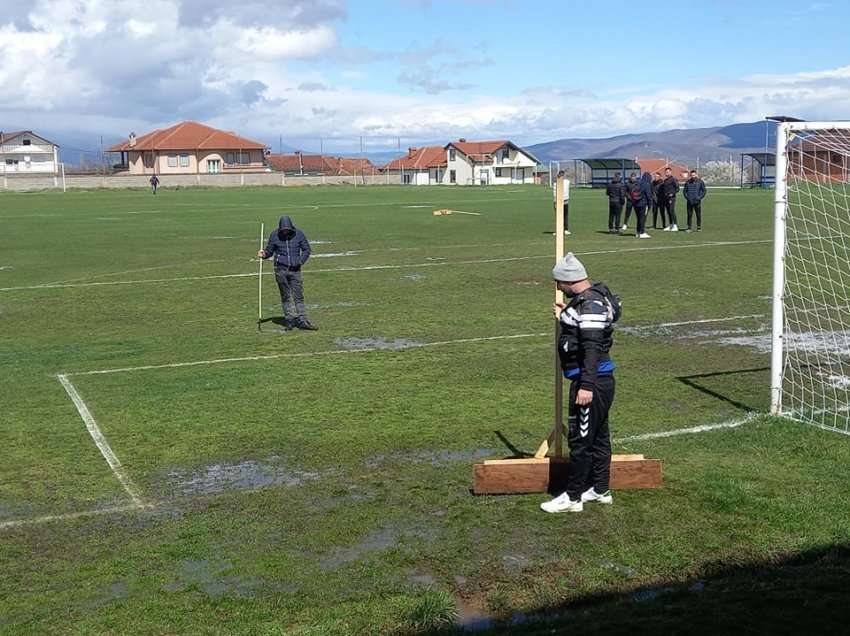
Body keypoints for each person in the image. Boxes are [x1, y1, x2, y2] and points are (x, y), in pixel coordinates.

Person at [541, 253, 620, 513]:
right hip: (598, 380)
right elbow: (585, 329)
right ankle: (600, 489)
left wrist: (586, 386)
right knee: (598, 438)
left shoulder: (590, 305)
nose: (557, 288)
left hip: (591, 383)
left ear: (568, 281)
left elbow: (591, 346)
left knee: (581, 440)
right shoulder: (588, 303)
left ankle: (573, 498)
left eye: (558, 283)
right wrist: (567, 314)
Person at [257, 215, 318, 331]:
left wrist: (300, 261)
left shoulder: (299, 234)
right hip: (280, 270)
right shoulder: (274, 235)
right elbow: (269, 251)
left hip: (295, 271)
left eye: (287, 230)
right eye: (283, 230)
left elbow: (307, 250)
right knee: (285, 296)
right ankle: (289, 321)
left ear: (291, 228)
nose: (285, 232)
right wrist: (264, 254)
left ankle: (303, 320)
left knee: (298, 296)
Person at [633, 172, 653, 238]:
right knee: (642, 218)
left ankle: (638, 232)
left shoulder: (638, 182)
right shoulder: (647, 184)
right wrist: (650, 204)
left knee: (638, 218)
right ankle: (642, 232)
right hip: (643, 204)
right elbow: (649, 195)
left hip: (635, 203)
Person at [552, 170, 571, 235]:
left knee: (564, 216)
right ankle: (560, 230)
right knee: (560, 216)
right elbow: (555, 193)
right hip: (559, 201)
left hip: (564, 200)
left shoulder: (564, 182)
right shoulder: (556, 183)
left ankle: (565, 229)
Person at [660, 167, 679, 232]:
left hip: (671, 198)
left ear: (671, 172)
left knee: (672, 211)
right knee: (668, 212)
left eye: (668, 172)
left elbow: (677, 188)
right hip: (666, 198)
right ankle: (671, 225)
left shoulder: (673, 179)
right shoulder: (665, 180)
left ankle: (675, 225)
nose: (667, 173)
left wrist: (672, 193)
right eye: (666, 172)